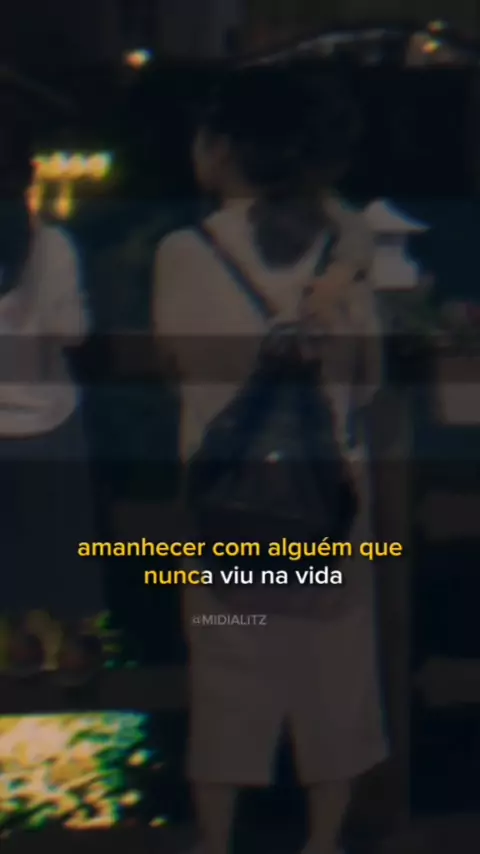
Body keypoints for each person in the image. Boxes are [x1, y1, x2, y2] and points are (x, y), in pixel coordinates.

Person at [153, 68, 388, 854]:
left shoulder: (183, 253)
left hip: (229, 506)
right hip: (328, 505)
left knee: (229, 669)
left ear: (224, 149)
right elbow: (368, 382)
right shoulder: (345, 264)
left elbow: (179, 367)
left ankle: (217, 841)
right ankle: (322, 842)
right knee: (335, 673)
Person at [0, 118, 104, 683]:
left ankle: (15, 642)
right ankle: (74, 645)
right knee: (64, 531)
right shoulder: (53, 245)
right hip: (48, 415)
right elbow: (72, 331)